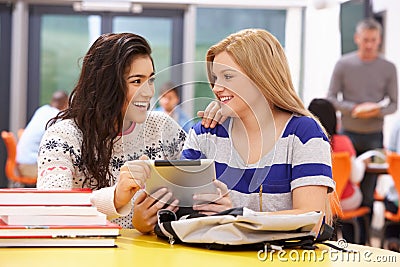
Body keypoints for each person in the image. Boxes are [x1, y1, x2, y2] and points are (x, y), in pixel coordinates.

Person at [36, 33, 186, 233]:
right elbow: (53, 209)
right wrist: (116, 199)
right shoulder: (63, 137)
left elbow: (196, 193)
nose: (149, 92)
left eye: (150, 80)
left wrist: (150, 225)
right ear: (106, 85)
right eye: (136, 81)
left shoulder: (162, 127)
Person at [181, 29, 335, 221]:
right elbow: (179, 207)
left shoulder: (304, 134)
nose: (216, 87)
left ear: (260, 77)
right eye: (216, 78)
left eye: (227, 76)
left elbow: (311, 219)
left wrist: (236, 217)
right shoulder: (205, 133)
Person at [327, 18, 398, 213]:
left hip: (375, 135)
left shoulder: (388, 67)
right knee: (344, 188)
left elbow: (393, 104)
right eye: (365, 39)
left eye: (373, 40)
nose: (369, 44)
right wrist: (355, 108)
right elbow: (331, 98)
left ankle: (364, 239)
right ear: (357, 38)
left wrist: (376, 110)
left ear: (379, 40)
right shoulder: (343, 64)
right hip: (347, 134)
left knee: (368, 192)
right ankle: (347, 238)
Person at [308, 98, 368, 244]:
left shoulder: (306, 142)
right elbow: (355, 177)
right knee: (358, 194)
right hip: (344, 201)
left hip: (315, 201)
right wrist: (363, 164)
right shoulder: (343, 142)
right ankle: (353, 242)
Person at [16, 90, 69, 178]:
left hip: (21, 164)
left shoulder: (42, 110)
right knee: (65, 174)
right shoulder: (57, 117)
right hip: (32, 167)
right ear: (66, 103)